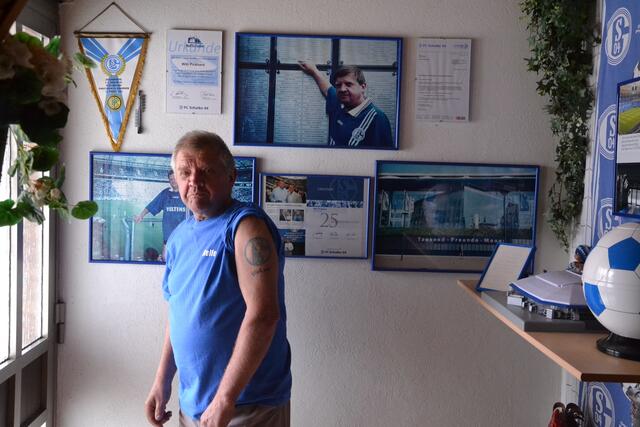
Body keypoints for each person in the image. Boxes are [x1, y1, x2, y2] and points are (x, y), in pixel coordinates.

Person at [145, 131, 292, 427]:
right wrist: (162, 379)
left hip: (246, 406)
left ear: (231, 176)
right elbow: (178, 312)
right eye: (185, 173)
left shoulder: (246, 227)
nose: (194, 181)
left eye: (207, 171)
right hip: (194, 404)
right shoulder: (178, 238)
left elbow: (264, 315)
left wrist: (225, 398)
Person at [298, 62, 393, 148]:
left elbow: (383, 155)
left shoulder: (377, 118)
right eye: (338, 85)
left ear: (363, 87)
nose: (342, 89)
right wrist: (314, 70)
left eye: (348, 84)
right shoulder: (339, 104)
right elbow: (327, 89)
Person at [134, 170, 187, 260]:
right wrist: (141, 215)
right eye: (171, 179)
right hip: (168, 236)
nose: (173, 181)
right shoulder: (165, 194)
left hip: (184, 236)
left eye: (175, 178)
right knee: (165, 258)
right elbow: (152, 205)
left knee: (182, 259)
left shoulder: (186, 194)